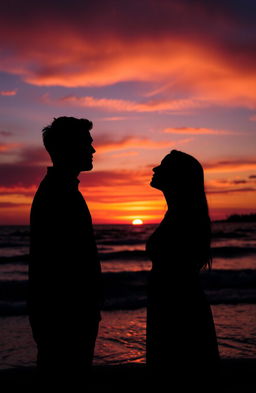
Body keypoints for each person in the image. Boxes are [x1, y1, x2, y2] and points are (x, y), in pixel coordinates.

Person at [28, 117, 102, 389]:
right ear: (67, 148)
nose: (93, 150)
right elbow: (58, 263)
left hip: (67, 312)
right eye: (87, 144)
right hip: (65, 315)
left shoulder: (63, 189)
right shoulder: (58, 193)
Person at [146, 150, 220, 390]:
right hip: (172, 305)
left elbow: (177, 273)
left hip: (178, 308)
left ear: (178, 177)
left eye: (163, 166)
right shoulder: (177, 214)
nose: (155, 169)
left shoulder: (185, 218)